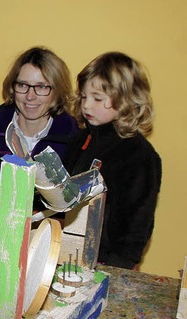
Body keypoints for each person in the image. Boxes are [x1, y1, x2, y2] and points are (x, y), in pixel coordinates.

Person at [65, 52, 161, 270]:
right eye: (83, 96)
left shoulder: (140, 155)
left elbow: (138, 222)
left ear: (126, 100)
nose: (87, 105)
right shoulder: (79, 140)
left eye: (97, 98)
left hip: (109, 261)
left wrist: (118, 267)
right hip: (69, 251)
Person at [0, 47, 78, 161]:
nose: (30, 96)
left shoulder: (74, 142)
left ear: (57, 91)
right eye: (23, 85)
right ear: (12, 88)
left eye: (41, 87)